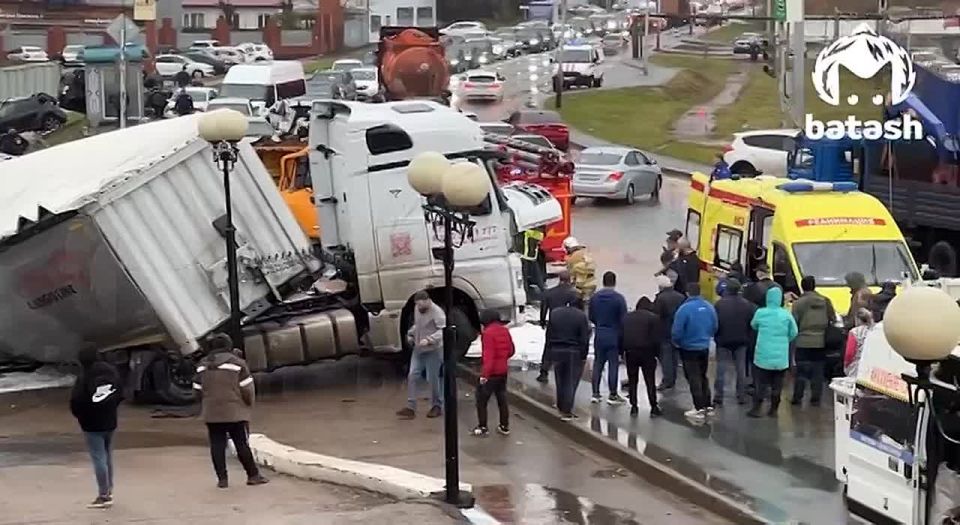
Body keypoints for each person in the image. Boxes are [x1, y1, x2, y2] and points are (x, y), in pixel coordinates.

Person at [194, 333, 269, 488]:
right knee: (241, 443)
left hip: (212, 412)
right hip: (235, 411)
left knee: (217, 444)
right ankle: (253, 476)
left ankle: (222, 480)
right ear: (229, 345)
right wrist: (248, 406)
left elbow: (197, 389)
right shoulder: (237, 363)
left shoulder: (202, 365)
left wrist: (205, 403)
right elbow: (247, 389)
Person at [70, 347, 122, 509]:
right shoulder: (112, 373)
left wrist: (80, 416)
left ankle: (103, 495)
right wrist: (112, 408)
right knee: (107, 457)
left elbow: (77, 400)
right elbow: (120, 394)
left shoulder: (85, 376)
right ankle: (109, 490)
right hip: (110, 421)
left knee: (98, 458)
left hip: (91, 424)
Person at [748, 287, 798, 418]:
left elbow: (753, 325)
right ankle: (774, 410)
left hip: (762, 356)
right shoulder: (786, 314)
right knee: (777, 385)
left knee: (761, 384)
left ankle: (757, 409)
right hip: (780, 358)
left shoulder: (760, 312)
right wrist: (784, 339)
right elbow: (794, 332)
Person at [671, 283, 718, 420]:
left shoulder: (684, 309)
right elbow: (715, 326)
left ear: (687, 293)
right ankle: (708, 405)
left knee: (693, 378)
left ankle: (698, 408)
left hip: (688, 348)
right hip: (704, 347)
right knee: (703, 376)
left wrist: (678, 342)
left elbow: (677, 331)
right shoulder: (709, 307)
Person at [397, 291, 446, 419]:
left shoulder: (438, 313)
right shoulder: (417, 309)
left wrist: (429, 339)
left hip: (433, 350)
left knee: (432, 378)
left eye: (421, 305)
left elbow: (442, 331)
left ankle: (437, 405)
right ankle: (411, 406)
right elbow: (418, 325)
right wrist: (411, 333)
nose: (419, 308)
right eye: (417, 305)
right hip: (419, 349)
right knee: (412, 375)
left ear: (428, 301)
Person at [791, 276, 836, 406]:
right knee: (818, 371)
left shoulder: (798, 303)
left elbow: (794, 322)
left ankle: (797, 397)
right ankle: (816, 398)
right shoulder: (825, 301)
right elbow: (832, 318)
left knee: (801, 371)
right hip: (821, 341)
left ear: (802, 286)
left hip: (803, 341)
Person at [546, 297, 591, 421]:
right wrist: (583, 355)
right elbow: (584, 338)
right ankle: (567, 411)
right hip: (573, 351)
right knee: (570, 381)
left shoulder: (555, 313)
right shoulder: (581, 316)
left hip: (556, 349)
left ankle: (561, 406)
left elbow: (549, 334)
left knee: (560, 380)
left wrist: (548, 353)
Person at [713, 278, 756, 406]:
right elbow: (751, 324)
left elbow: (715, 322)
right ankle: (741, 395)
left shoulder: (719, 304)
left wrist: (716, 335)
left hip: (723, 340)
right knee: (741, 368)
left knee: (721, 367)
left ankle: (719, 395)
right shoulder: (747, 304)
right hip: (742, 340)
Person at [473, 309, 515, 437]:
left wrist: (484, 376)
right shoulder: (504, 330)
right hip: (503, 371)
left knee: (481, 400)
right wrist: (502, 359)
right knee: (502, 399)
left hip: (491, 373)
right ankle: (504, 426)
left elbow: (488, 357)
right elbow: (511, 350)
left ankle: (483, 426)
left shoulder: (488, 333)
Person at [589, 271, 628, 405]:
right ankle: (612, 394)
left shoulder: (595, 297)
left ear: (603, 281)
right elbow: (624, 320)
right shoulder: (619, 299)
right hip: (613, 335)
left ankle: (595, 393)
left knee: (598, 364)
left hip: (599, 334)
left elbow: (591, 316)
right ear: (614, 282)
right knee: (613, 365)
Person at [621, 296, 662, 417]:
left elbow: (621, 335)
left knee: (633, 380)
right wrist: (657, 354)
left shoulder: (627, 317)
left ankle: (634, 406)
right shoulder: (653, 318)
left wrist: (621, 351)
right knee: (650, 380)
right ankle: (653, 406)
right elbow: (656, 338)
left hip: (630, 352)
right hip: (647, 353)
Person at [537, 271, 580, 383]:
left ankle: (544, 372)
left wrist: (542, 321)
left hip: (553, 323)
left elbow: (544, 307)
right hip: (569, 325)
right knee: (567, 347)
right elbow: (579, 311)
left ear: (559, 280)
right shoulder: (573, 294)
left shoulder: (550, 292)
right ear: (569, 280)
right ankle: (566, 371)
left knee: (548, 347)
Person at [653, 274, 685, 391]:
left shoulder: (660, 299)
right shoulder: (680, 296)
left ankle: (667, 380)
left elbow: (656, 316)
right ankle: (673, 379)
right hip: (678, 330)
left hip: (665, 330)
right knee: (675, 356)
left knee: (666, 356)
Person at [844, 308, 876, 377]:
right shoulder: (875, 330)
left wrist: (846, 365)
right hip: (872, 366)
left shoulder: (855, 331)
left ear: (857, 319)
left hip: (857, 367)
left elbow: (850, 353)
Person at [564, 237, 597, 302]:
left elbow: (571, 274)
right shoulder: (585, 253)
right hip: (592, 283)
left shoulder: (571, 258)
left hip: (580, 286)